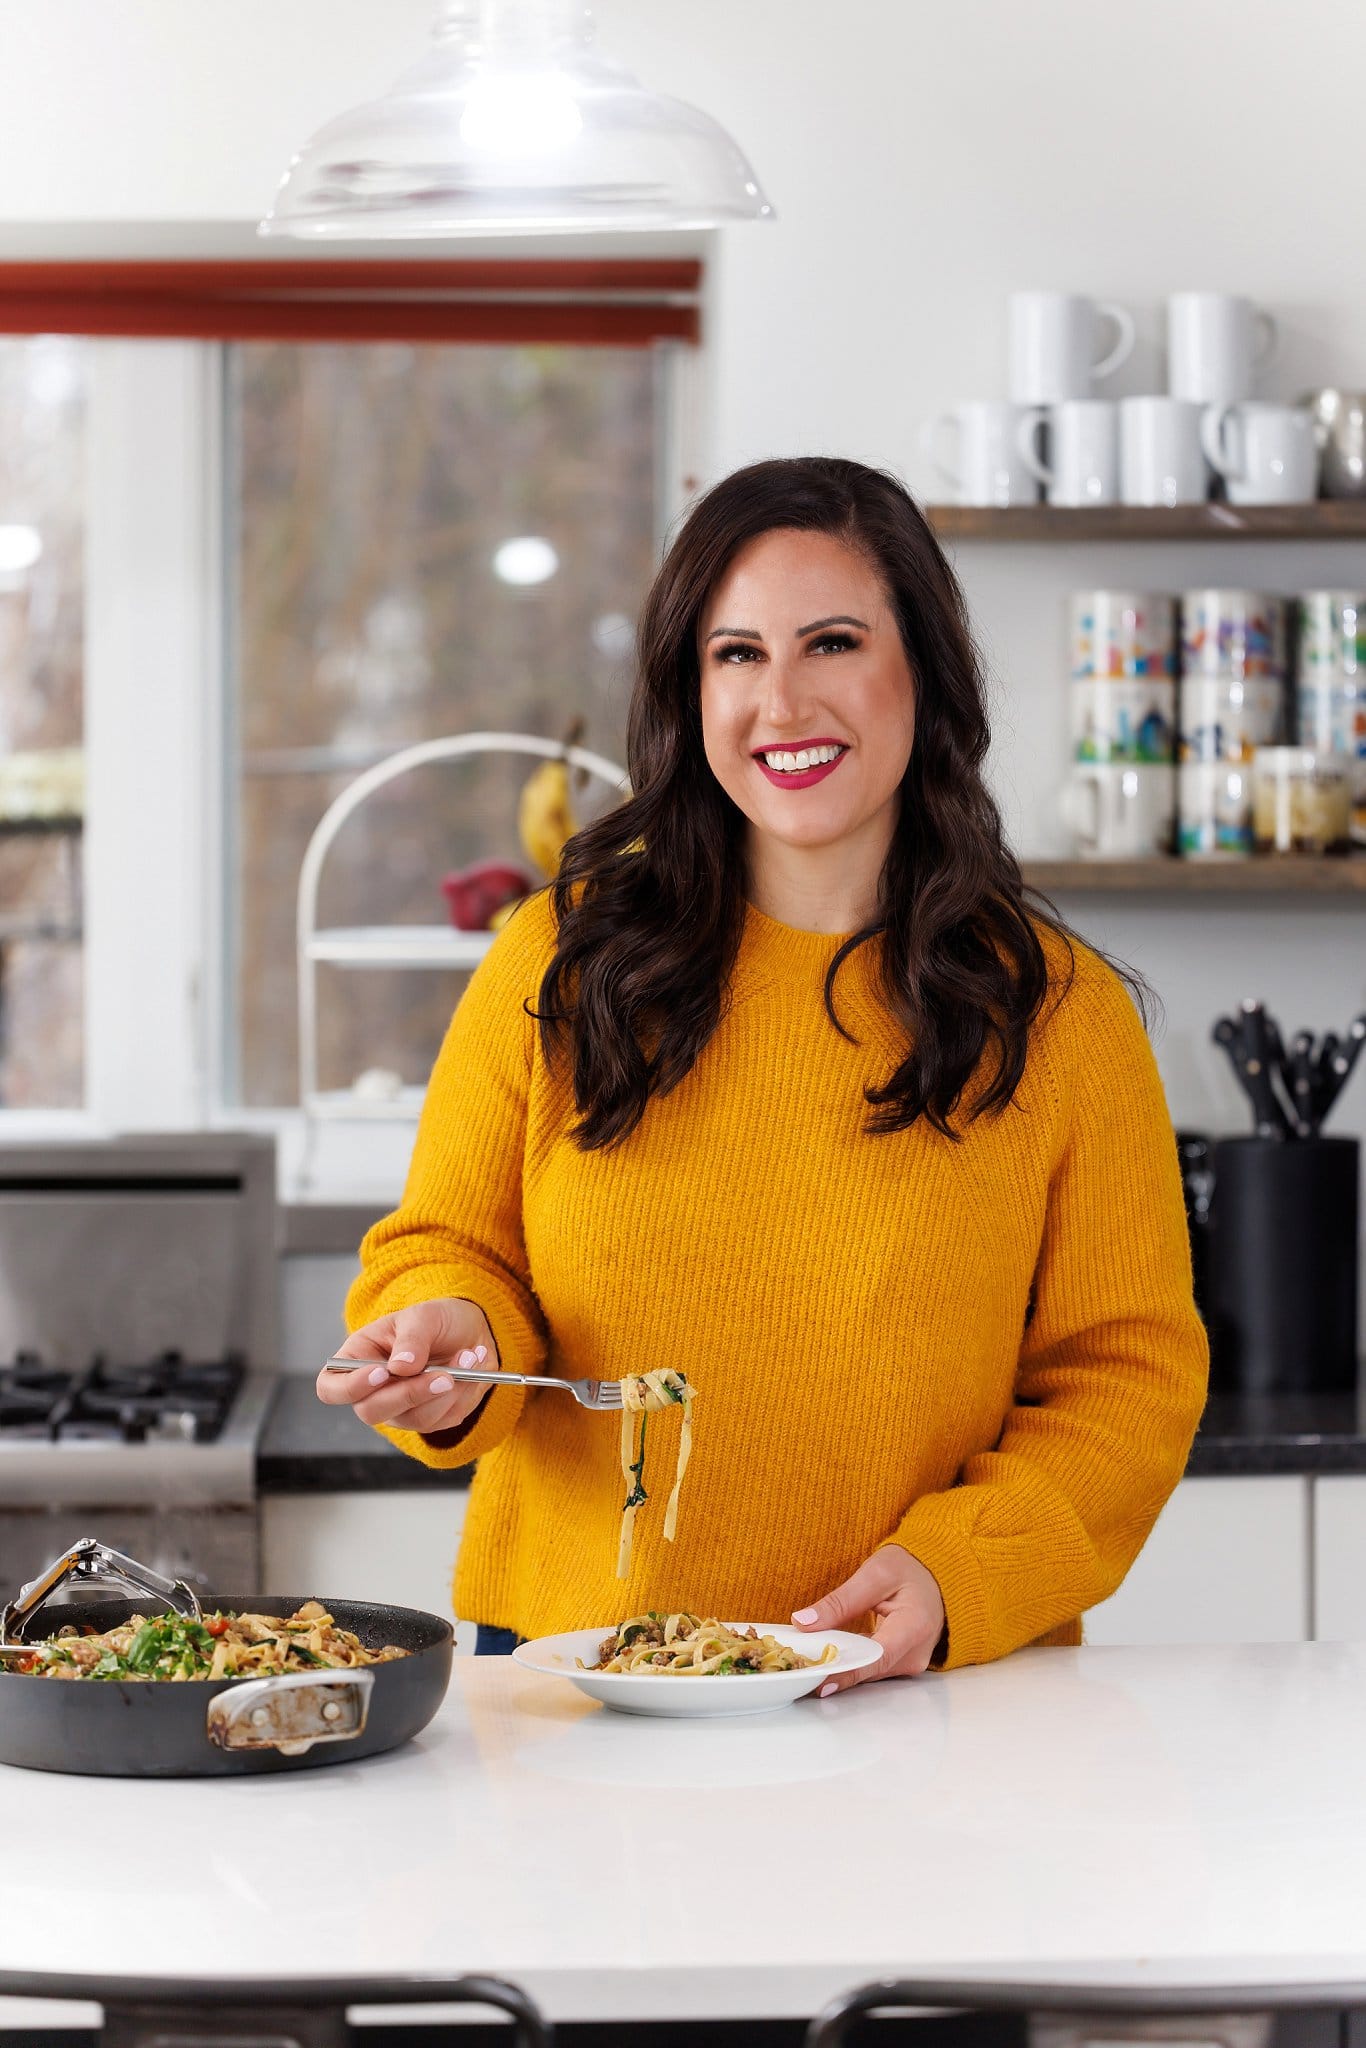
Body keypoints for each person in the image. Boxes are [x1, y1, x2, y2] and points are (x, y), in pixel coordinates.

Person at [318, 455, 1208, 1687]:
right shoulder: (559, 960)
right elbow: (449, 1247)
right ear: (690, 692)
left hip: (918, 1688)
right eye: (736, 653)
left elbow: (1127, 1379)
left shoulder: (1060, 1016)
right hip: (575, 1676)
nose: (780, 702)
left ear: (924, 671)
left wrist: (959, 1566)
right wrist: (451, 1334)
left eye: (831, 642)